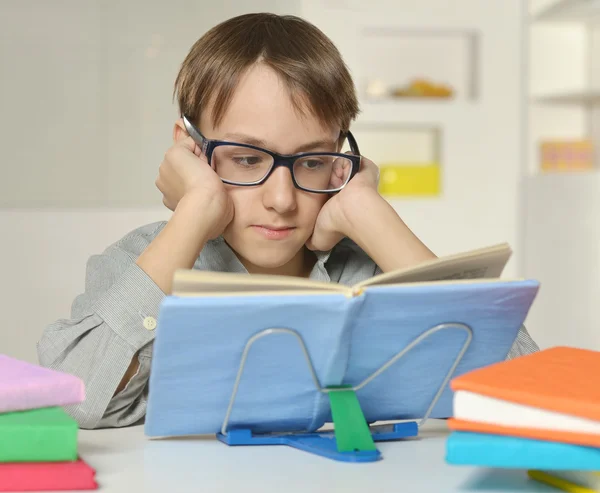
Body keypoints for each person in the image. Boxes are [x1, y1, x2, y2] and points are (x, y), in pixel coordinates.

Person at [37, 13, 538, 430]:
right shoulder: (141, 264)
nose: (282, 199)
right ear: (188, 150)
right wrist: (195, 211)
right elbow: (70, 401)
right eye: (247, 159)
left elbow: (529, 398)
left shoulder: (367, 271)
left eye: (313, 160)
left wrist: (369, 213)